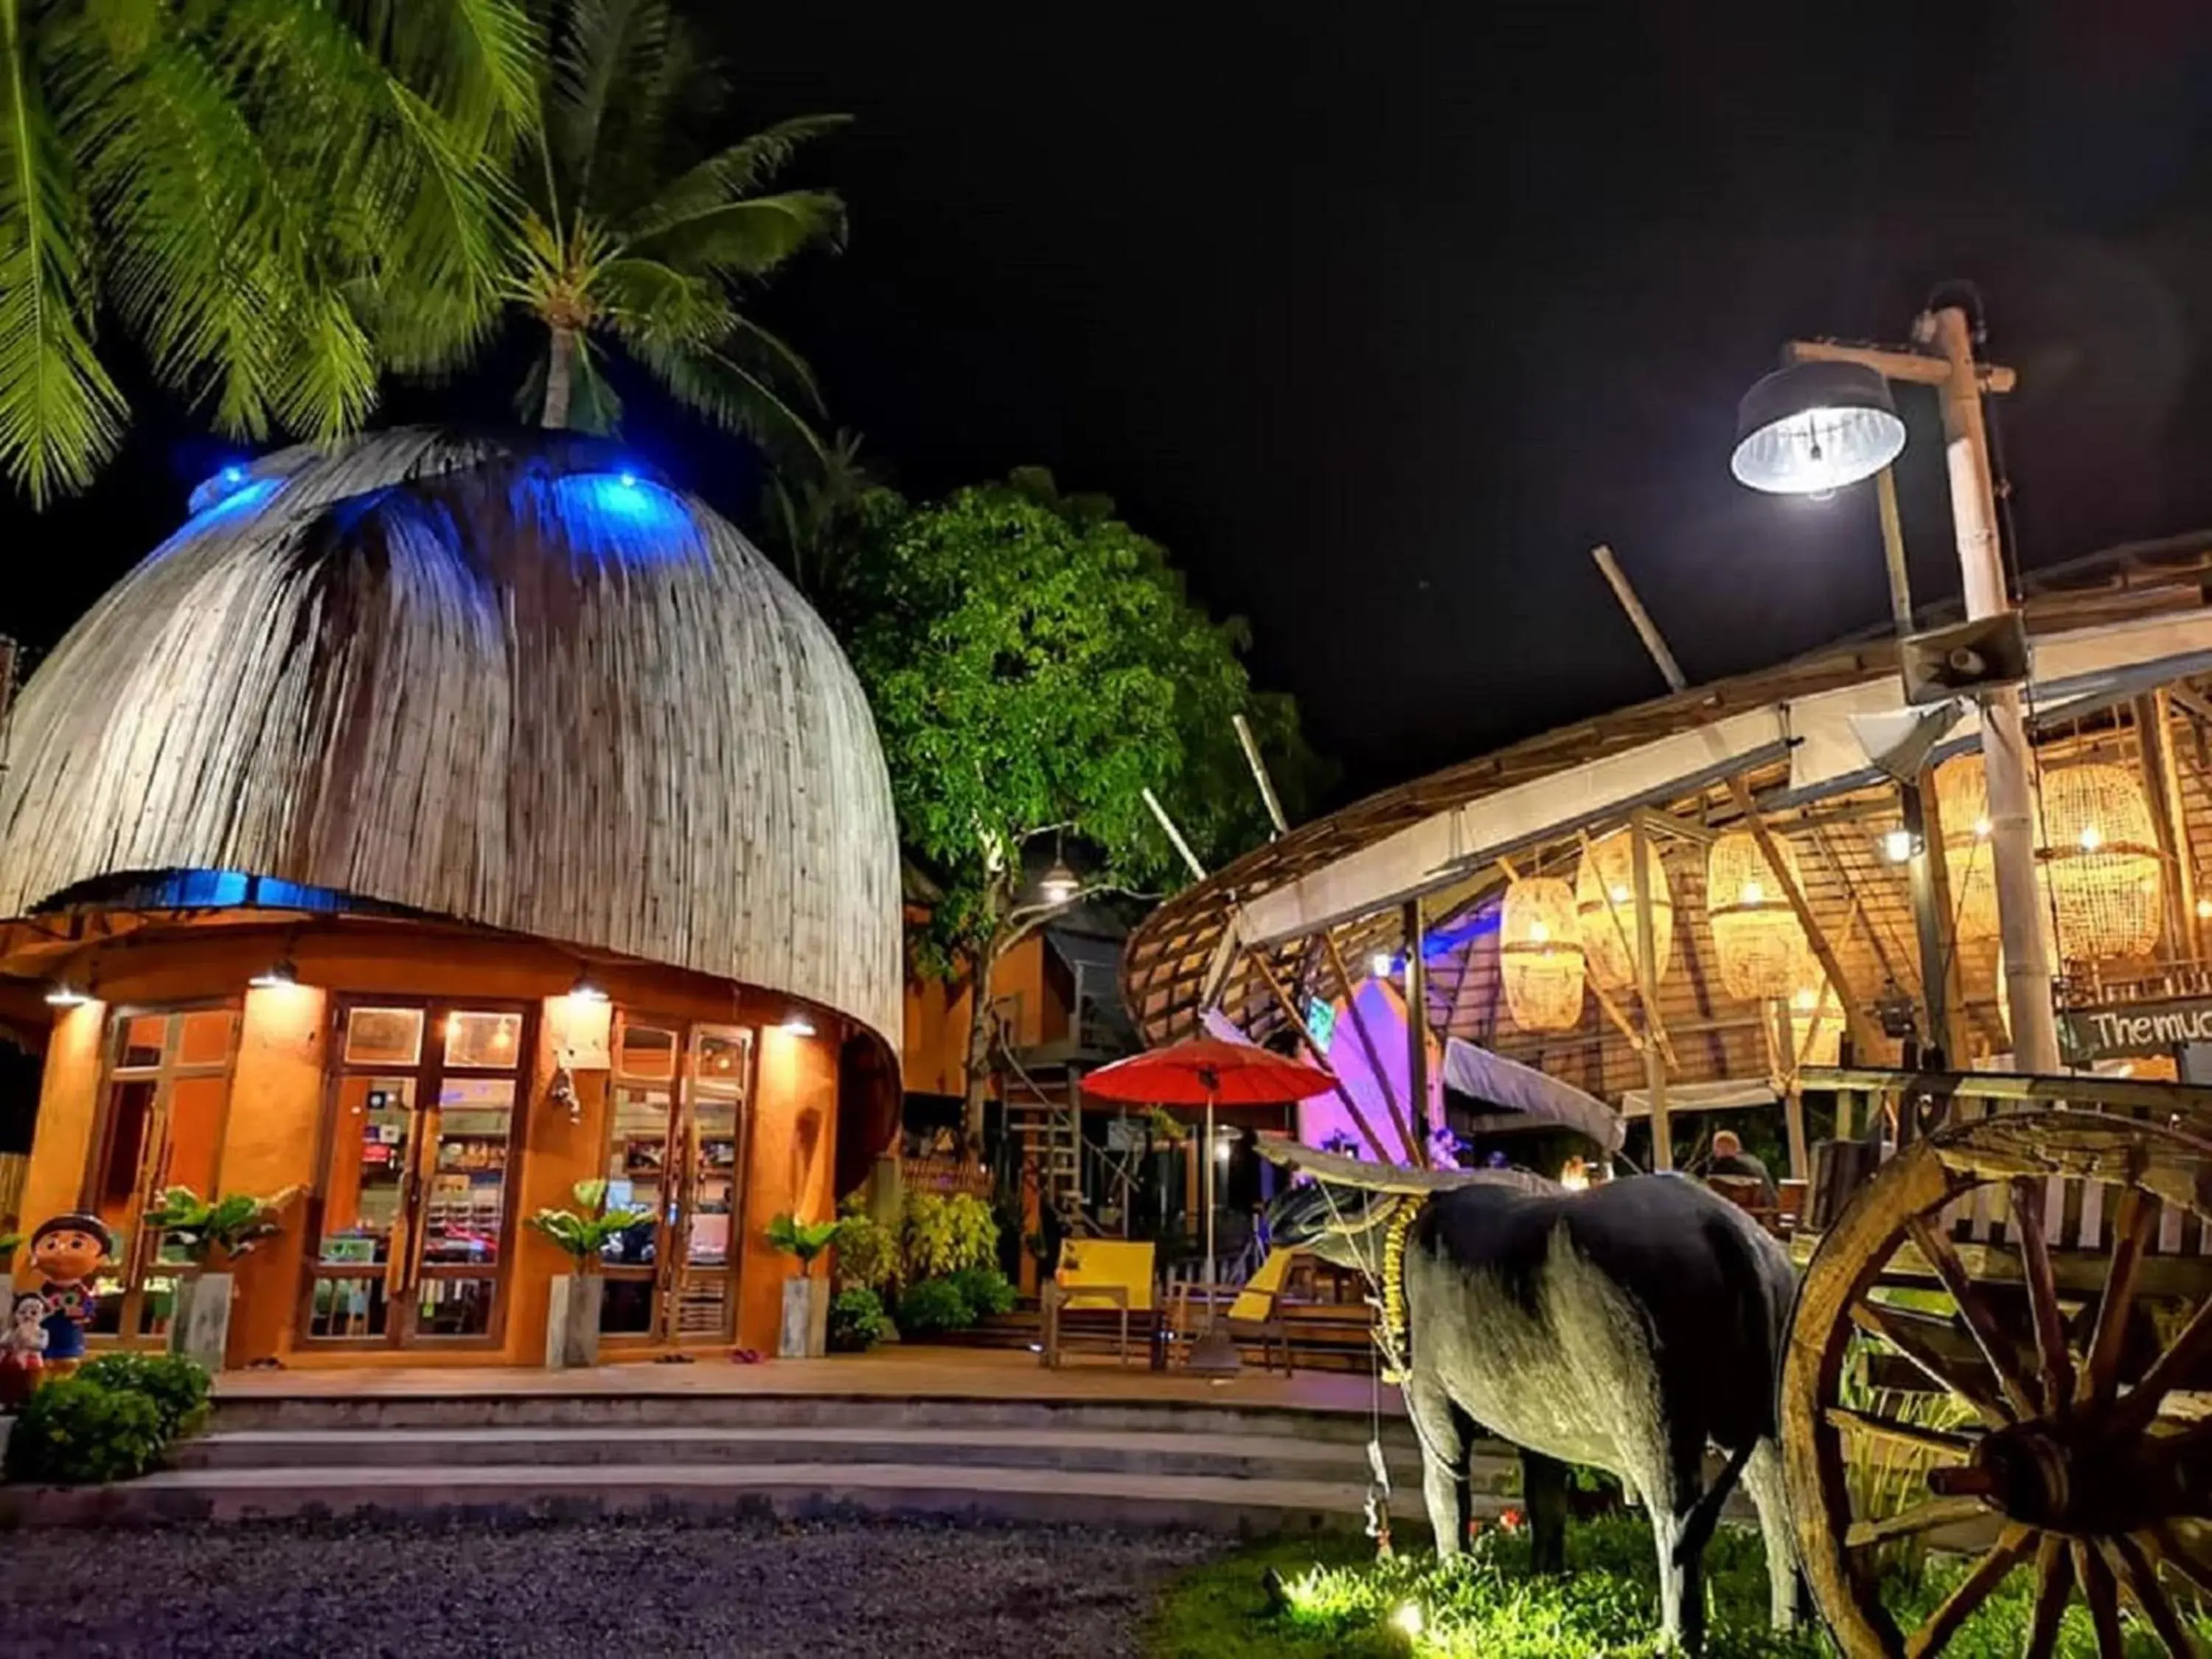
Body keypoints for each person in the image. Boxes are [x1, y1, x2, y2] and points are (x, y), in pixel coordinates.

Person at [1706, 1130, 1778, 1207]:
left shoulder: (1747, 1166)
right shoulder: (1755, 1163)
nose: (1723, 1150)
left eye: (1726, 1147)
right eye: (1721, 1148)